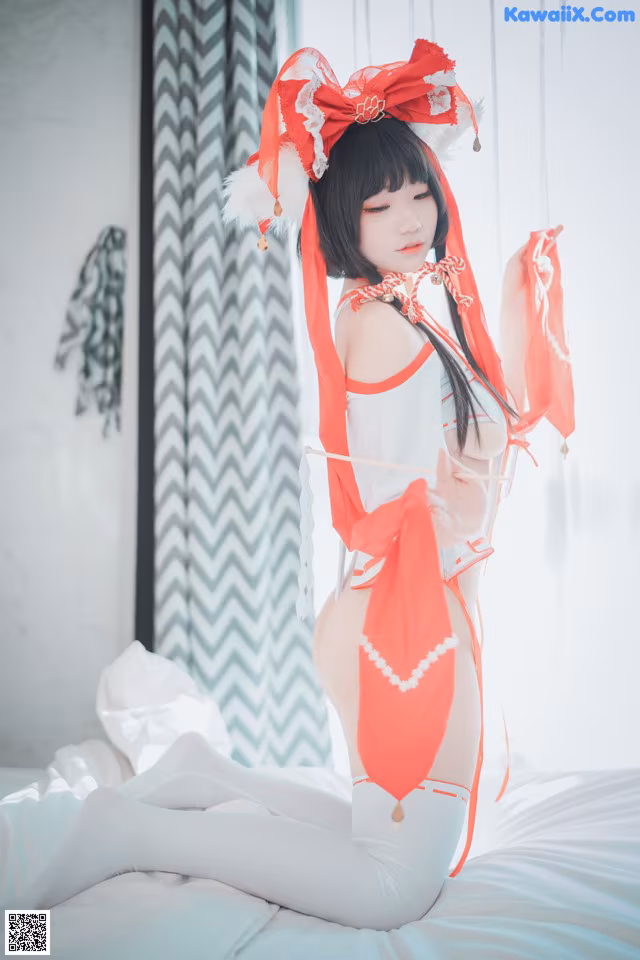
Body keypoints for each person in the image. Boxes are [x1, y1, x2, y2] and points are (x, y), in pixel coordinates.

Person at [0, 39, 571, 929]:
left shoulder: (409, 312)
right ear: (344, 225)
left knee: (386, 838)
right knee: (392, 887)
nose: (411, 215)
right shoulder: (387, 324)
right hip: (400, 614)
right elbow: (459, 478)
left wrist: (503, 294)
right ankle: (127, 835)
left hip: (401, 605)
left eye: (420, 191)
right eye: (379, 204)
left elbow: (481, 437)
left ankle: (205, 777)